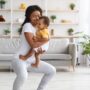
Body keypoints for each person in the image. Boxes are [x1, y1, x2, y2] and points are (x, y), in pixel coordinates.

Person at [12, 5, 56, 90]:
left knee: (51, 70)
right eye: (34, 16)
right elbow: (33, 45)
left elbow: (38, 47)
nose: (36, 18)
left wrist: (39, 53)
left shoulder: (40, 28)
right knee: (23, 76)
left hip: (32, 60)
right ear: (29, 16)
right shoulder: (27, 25)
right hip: (20, 59)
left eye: (38, 15)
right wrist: (47, 40)